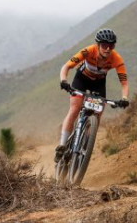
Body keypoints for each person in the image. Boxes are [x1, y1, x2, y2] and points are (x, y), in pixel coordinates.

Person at [55, 28, 130, 161]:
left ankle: (86, 143)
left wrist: (124, 98)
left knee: (98, 114)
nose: (108, 49)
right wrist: (63, 81)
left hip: (98, 84)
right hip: (81, 79)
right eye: (104, 45)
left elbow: (124, 83)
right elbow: (66, 66)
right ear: (98, 45)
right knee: (74, 109)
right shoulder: (88, 51)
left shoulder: (117, 59)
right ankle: (62, 144)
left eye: (111, 45)